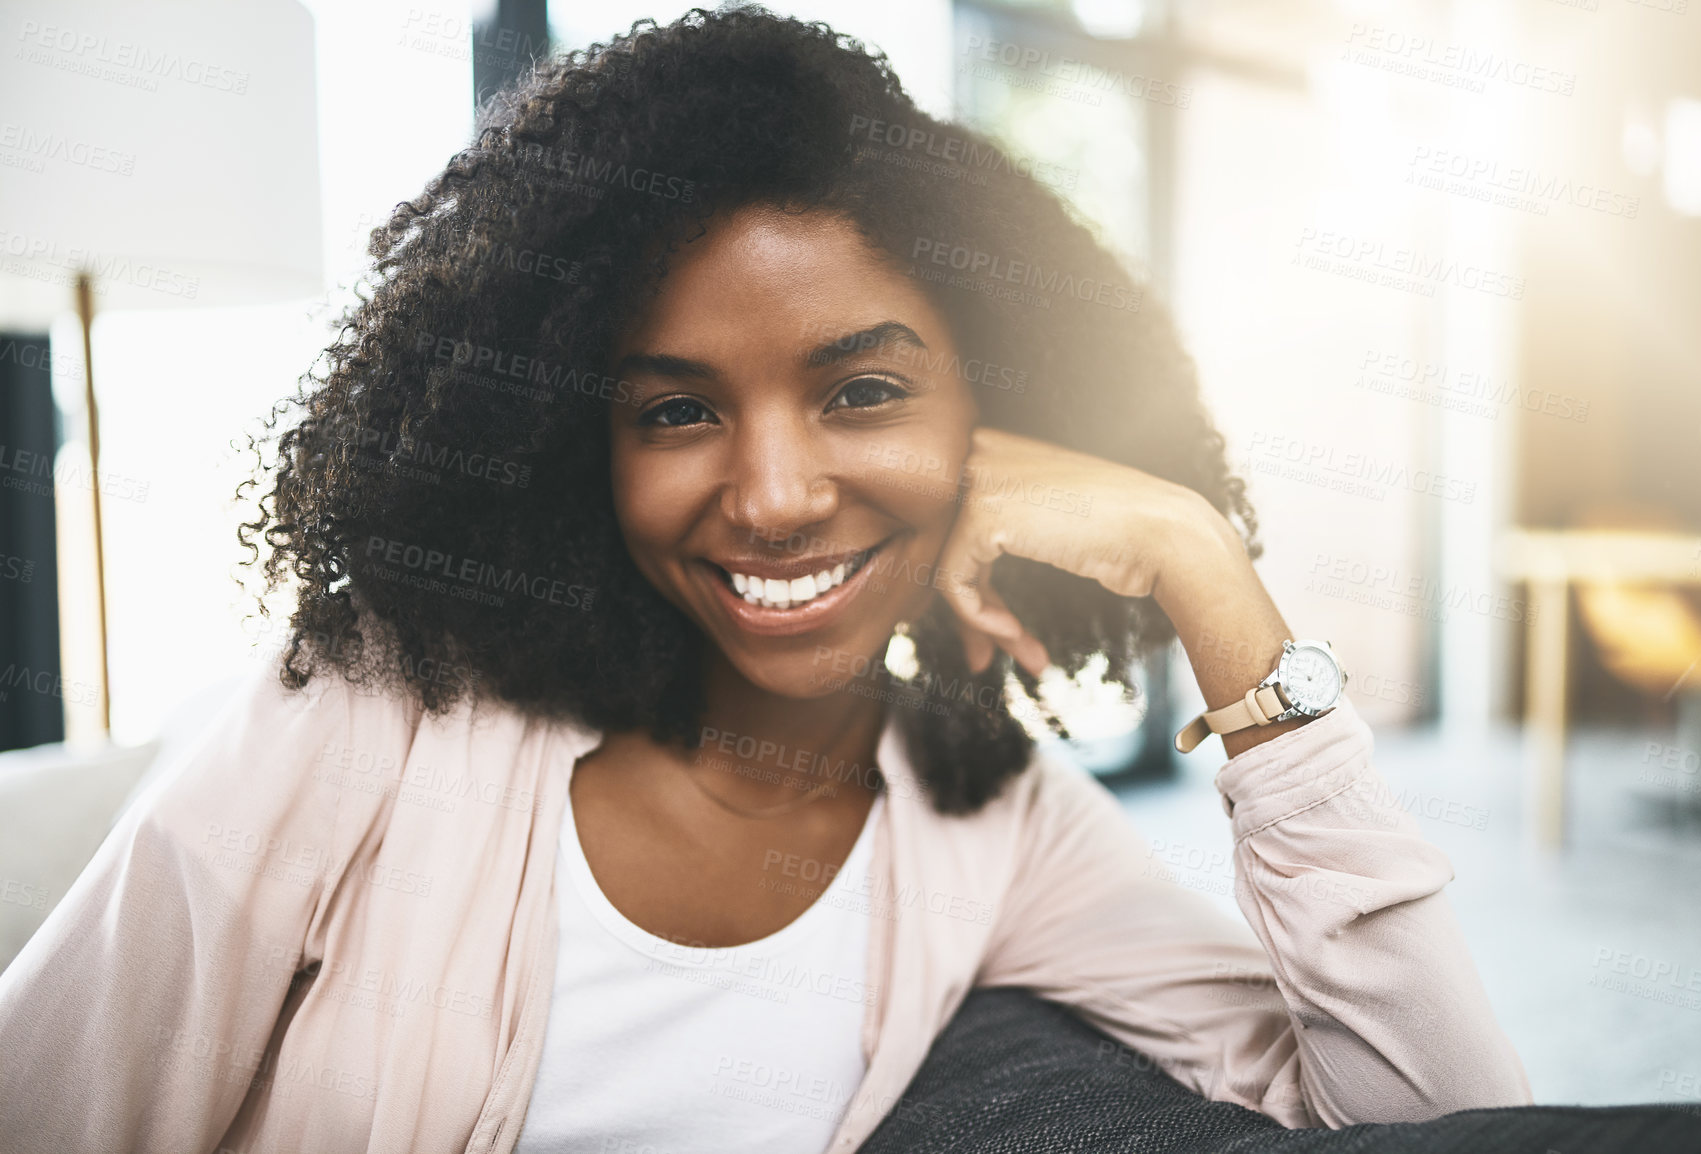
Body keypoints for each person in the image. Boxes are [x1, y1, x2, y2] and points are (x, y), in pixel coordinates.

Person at [0, 7, 1531, 1152]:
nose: (777, 497)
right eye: (676, 410)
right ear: (567, 444)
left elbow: (1435, 1117)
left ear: (998, 407)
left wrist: (1207, 567)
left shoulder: (993, 821)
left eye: (862, 392)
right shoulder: (380, 709)